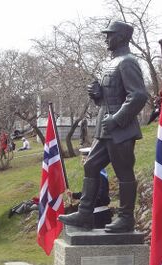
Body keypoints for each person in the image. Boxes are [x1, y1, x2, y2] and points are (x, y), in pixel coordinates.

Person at [59, 21, 148, 233]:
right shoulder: (113, 62)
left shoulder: (127, 62)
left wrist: (117, 118)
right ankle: (84, 213)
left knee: (124, 171)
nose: (106, 38)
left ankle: (126, 218)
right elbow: (111, 98)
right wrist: (98, 95)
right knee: (90, 165)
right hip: (105, 127)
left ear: (121, 37)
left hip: (121, 129)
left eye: (110, 34)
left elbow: (139, 95)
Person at [65, 147, 112, 229]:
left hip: (99, 215)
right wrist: (74, 195)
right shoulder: (92, 175)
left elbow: (100, 196)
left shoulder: (99, 175)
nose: (83, 161)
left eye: (85, 158)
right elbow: (89, 193)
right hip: (93, 214)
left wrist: (84, 202)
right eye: (82, 158)